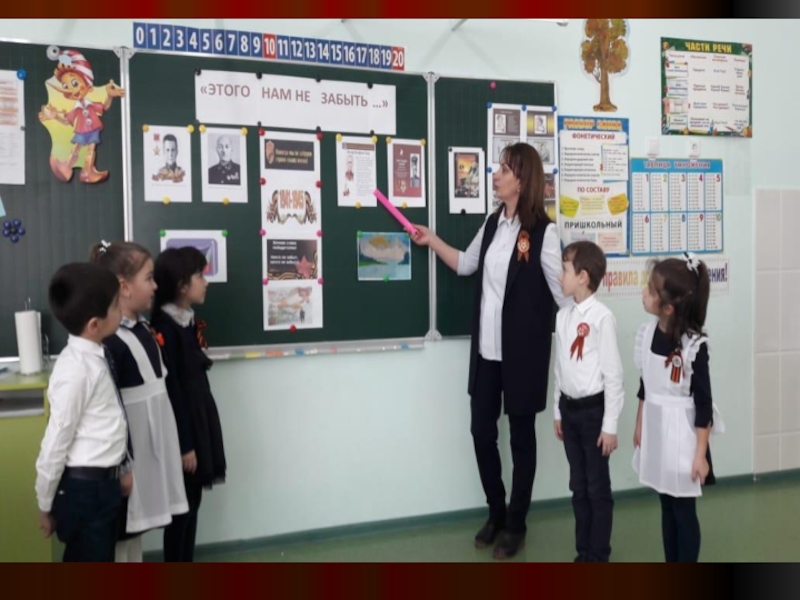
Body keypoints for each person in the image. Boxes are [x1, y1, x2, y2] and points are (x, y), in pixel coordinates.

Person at [412, 143, 570, 559]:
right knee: (481, 433)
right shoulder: (493, 222)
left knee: (521, 441)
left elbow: (564, 297)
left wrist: (585, 334)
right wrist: (432, 240)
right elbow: (467, 264)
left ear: (522, 179)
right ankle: (497, 512)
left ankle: (517, 524)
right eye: (498, 169)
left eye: (504, 170)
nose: (495, 175)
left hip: (524, 356)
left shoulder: (545, 233)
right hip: (487, 353)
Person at [90, 240, 188, 562]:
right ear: (124, 287)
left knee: (134, 539)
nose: (156, 286)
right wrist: (124, 464)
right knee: (121, 537)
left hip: (149, 457)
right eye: (148, 278)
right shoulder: (110, 342)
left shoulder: (144, 330)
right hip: (127, 462)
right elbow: (109, 411)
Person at [35, 263, 131, 562]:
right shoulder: (75, 371)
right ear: (94, 325)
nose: (122, 310)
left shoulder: (97, 355)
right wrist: (44, 503)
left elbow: (109, 422)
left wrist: (122, 469)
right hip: (85, 492)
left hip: (104, 485)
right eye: (116, 306)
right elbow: (56, 440)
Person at [633, 253, 724, 563]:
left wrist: (700, 455)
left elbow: (704, 405)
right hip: (656, 432)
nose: (643, 292)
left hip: (684, 440)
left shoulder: (694, 346)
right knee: (666, 505)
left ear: (668, 307)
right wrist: (640, 425)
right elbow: (646, 384)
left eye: (650, 290)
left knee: (683, 510)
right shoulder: (647, 334)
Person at [151, 247, 227, 562]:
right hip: (184, 430)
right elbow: (173, 391)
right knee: (182, 510)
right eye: (200, 276)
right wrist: (185, 445)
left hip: (198, 420)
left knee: (192, 504)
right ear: (182, 285)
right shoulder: (164, 328)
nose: (206, 282)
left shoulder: (185, 321)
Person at [553, 241, 623, 563]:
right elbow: (560, 368)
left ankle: (599, 555)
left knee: (597, 489)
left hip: (594, 414)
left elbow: (613, 376)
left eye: (564, 270)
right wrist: (558, 410)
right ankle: (583, 553)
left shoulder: (602, 318)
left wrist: (610, 427)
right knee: (578, 487)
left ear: (582, 277)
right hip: (570, 412)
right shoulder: (562, 317)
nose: (560, 276)